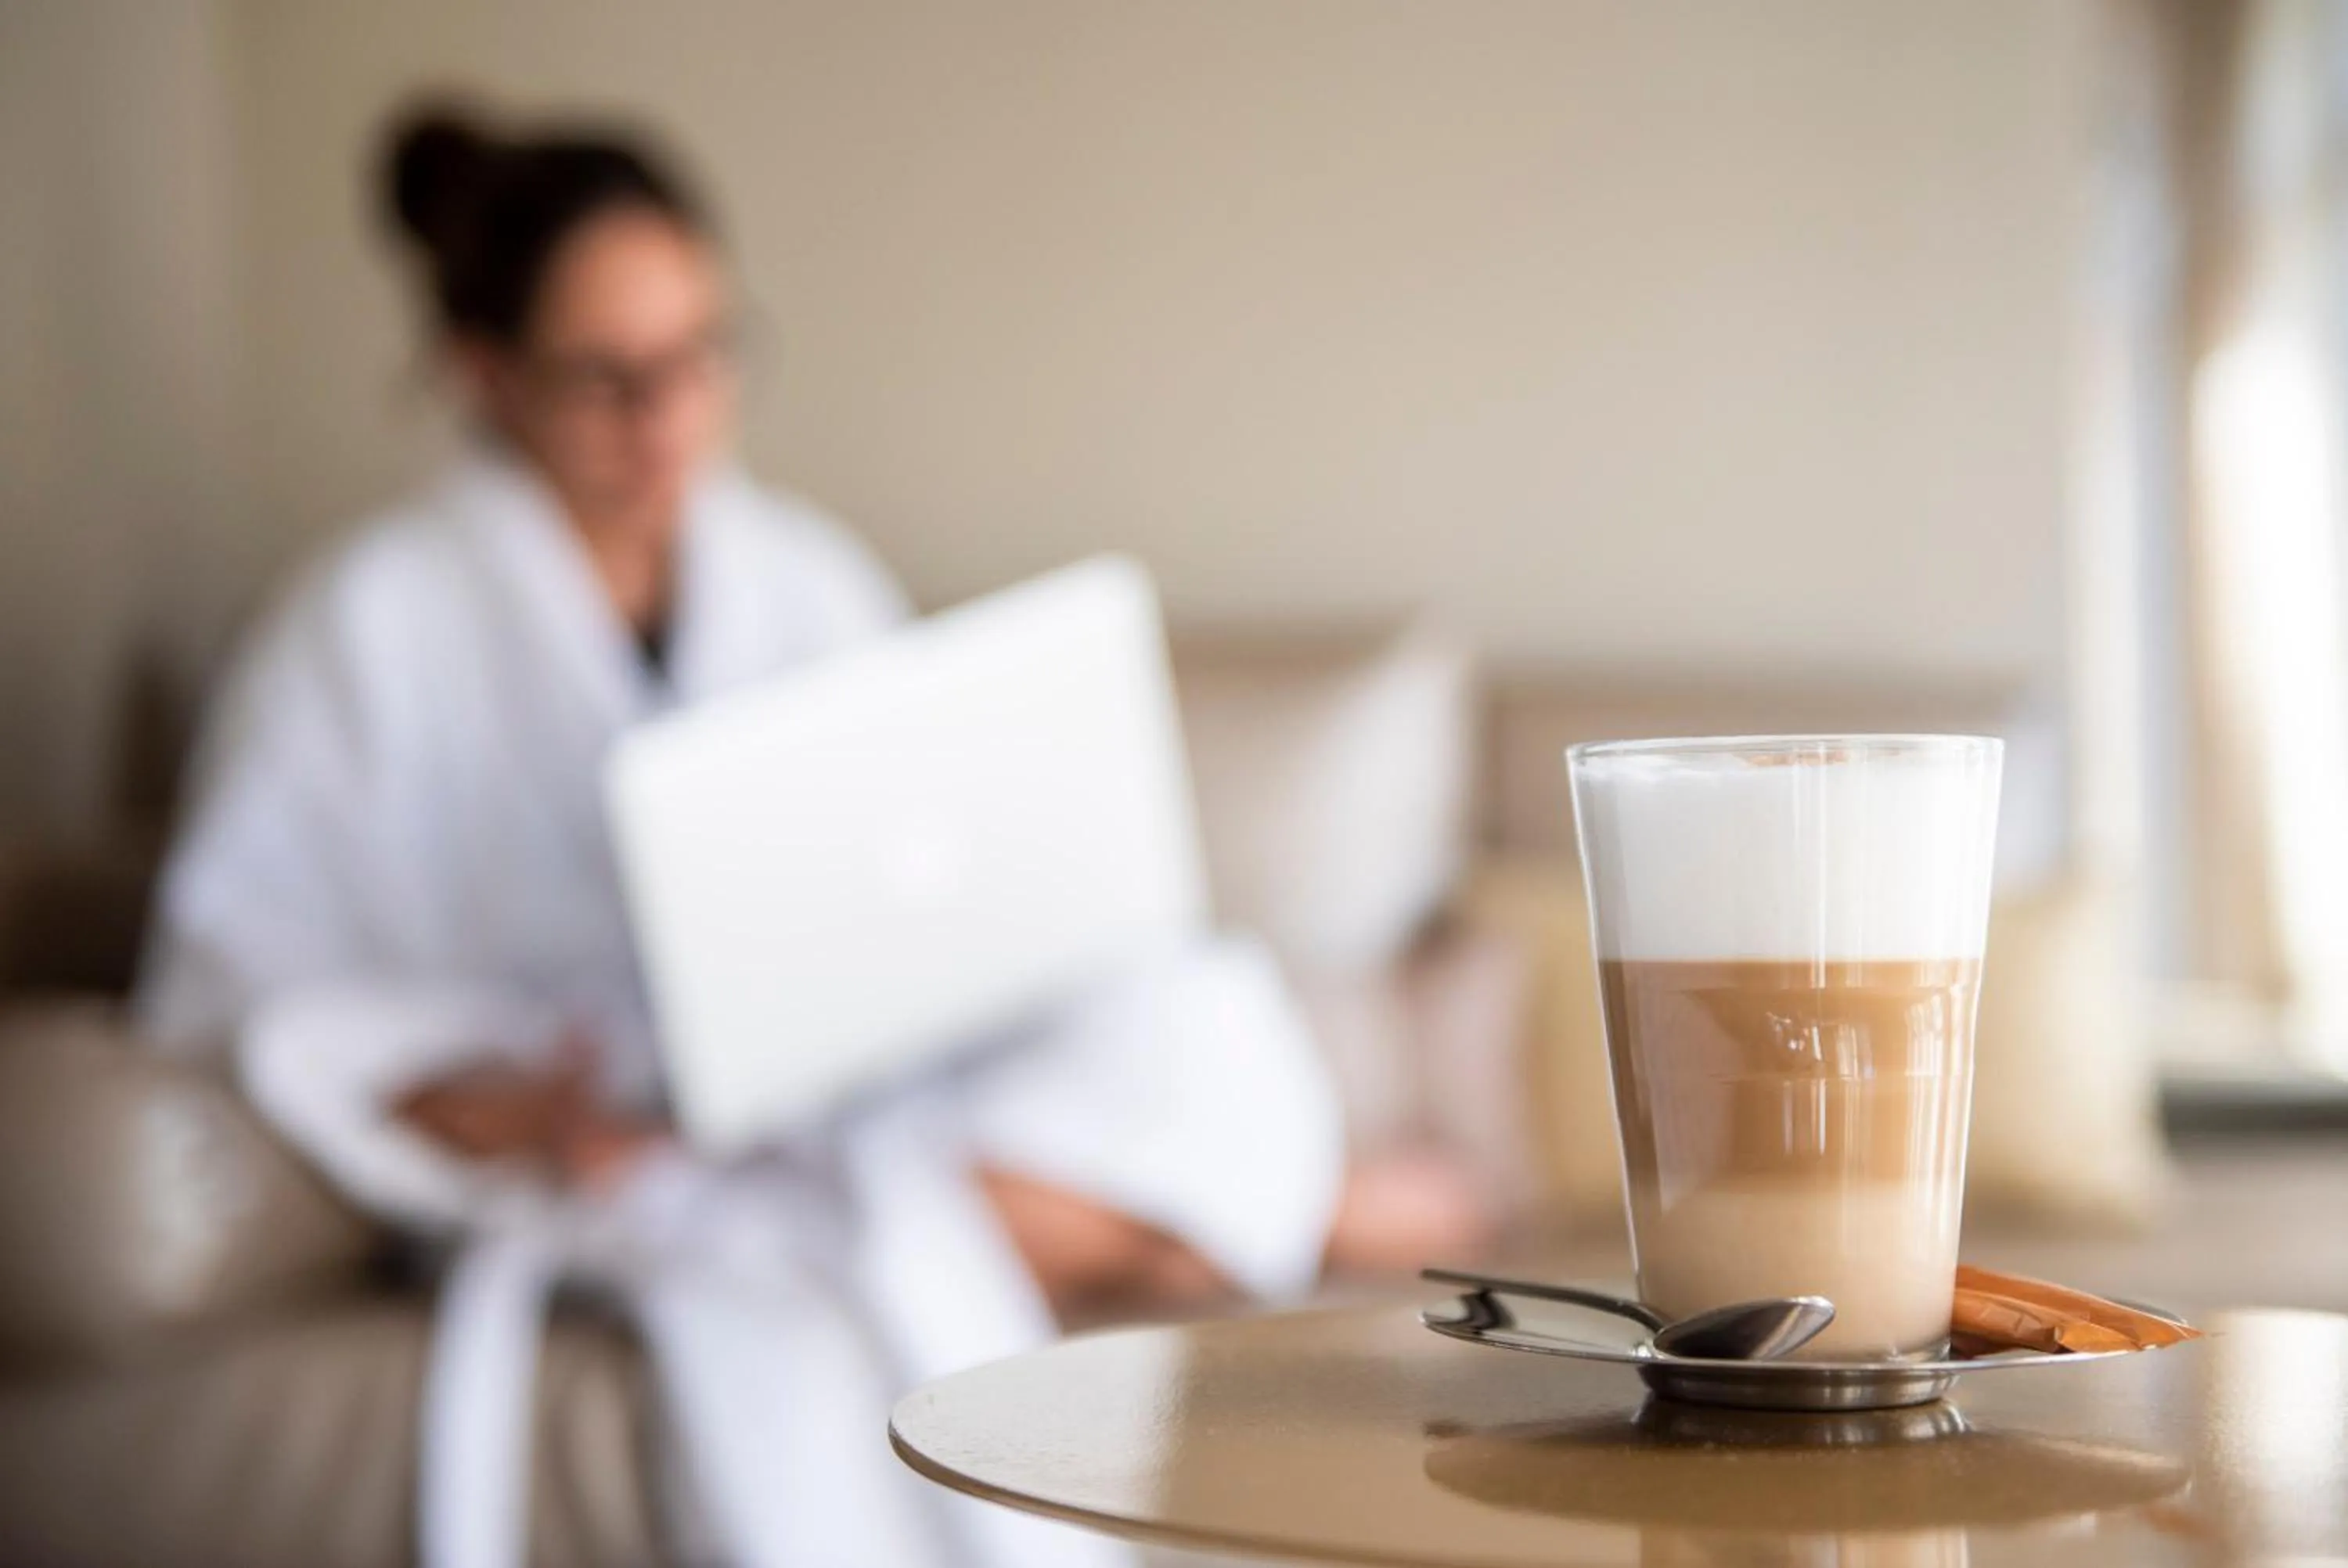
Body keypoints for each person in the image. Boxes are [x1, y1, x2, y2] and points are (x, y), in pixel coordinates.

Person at [136, 102, 1348, 1568]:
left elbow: (930, 865)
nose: (671, 420)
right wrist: (508, 1106)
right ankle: (1183, 1221)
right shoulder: (361, 628)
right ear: (484, 374)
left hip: (829, 1091)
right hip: (585, 1144)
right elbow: (242, 988)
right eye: (607, 379)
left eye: (701, 356)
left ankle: (1137, 1211)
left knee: (1201, 1010)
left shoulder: (801, 575)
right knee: (790, 1260)